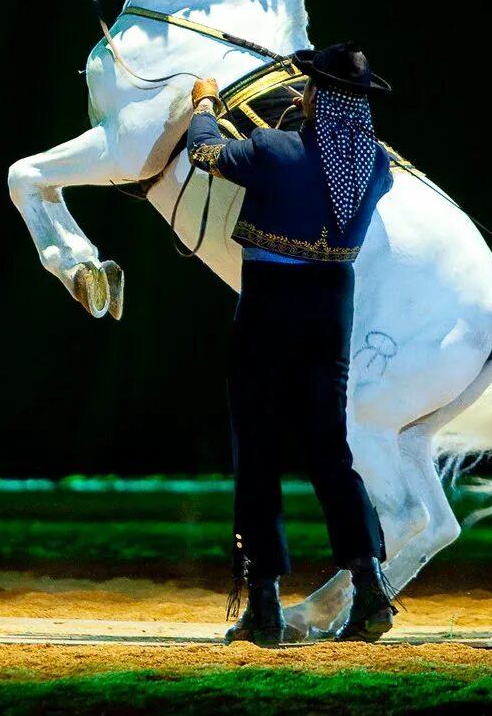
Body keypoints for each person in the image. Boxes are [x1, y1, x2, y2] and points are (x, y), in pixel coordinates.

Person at [186, 42, 398, 644]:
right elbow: (339, 162)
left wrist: (206, 101)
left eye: (307, 89)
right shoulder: (375, 166)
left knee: (258, 450)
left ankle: (265, 606)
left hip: (271, 305)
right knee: (331, 453)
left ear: (316, 98)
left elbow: (207, 153)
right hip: (332, 309)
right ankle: (371, 588)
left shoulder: (275, 150)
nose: (300, 94)